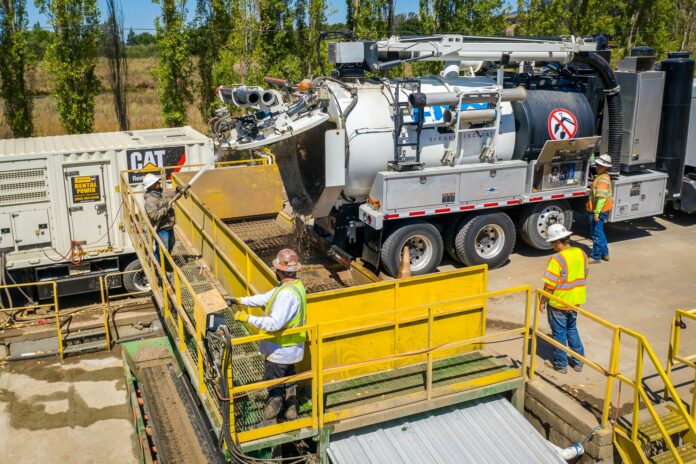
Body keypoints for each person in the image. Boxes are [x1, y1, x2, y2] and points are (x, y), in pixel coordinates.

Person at [229, 248, 307, 425]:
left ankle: (270, 418)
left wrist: (247, 317)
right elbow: (266, 298)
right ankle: (291, 410)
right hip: (292, 348)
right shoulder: (294, 286)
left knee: (274, 384)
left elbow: (274, 324)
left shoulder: (286, 294)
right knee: (289, 377)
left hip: (280, 350)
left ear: (279, 271)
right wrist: (239, 300)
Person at [541, 224, 588, 374]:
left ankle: (561, 364)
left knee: (559, 333)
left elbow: (549, 285)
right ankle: (578, 361)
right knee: (572, 329)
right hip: (575, 301)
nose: (552, 246)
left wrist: (542, 301)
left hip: (558, 302)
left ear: (557, 242)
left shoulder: (556, 259)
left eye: (552, 243)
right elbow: (585, 273)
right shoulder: (581, 253)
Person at [143, 173, 183, 264]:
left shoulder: (161, 192)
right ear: (151, 186)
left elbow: (173, 195)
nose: (158, 182)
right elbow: (154, 215)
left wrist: (178, 192)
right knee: (162, 249)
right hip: (161, 228)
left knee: (171, 244)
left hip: (169, 225)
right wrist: (165, 210)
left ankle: (166, 261)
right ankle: (159, 266)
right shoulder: (150, 200)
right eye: (156, 182)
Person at [587, 154, 613, 263]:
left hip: (600, 211)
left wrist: (597, 213)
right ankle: (605, 253)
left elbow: (601, 199)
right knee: (599, 232)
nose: (597, 167)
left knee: (596, 233)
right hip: (601, 210)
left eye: (600, 165)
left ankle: (596, 256)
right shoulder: (602, 176)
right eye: (597, 165)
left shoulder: (602, 180)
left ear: (605, 167)